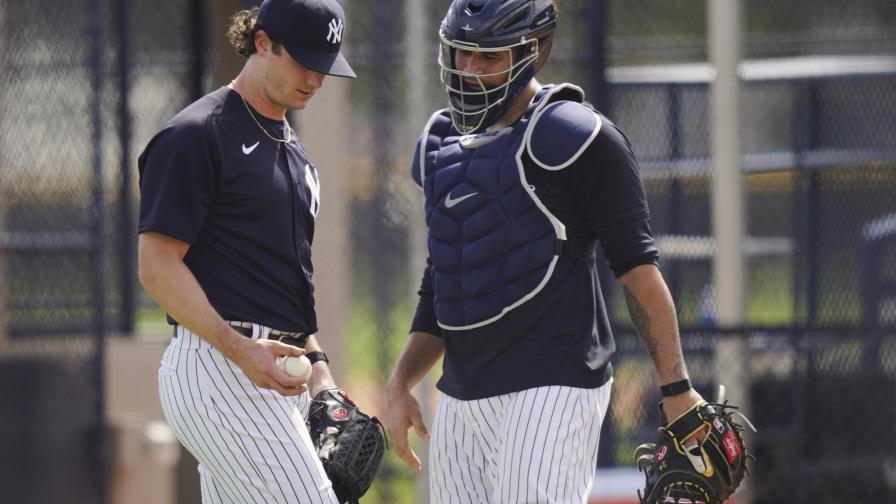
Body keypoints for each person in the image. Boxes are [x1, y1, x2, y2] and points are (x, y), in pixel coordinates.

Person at [383, 0, 706, 502]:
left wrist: (676, 389)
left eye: (489, 58)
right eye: (461, 53)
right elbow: (446, 273)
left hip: (553, 383)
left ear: (534, 52)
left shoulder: (578, 137)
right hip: (461, 392)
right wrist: (401, 382)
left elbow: (639, 272)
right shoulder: (439, 142)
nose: (469, 70)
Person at [137, 0, 355, 502]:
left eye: (325, 66)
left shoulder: (292, 149)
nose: (316, 78)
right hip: (219, 365)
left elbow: (286, 281)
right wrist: (239, 350)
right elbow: (156, 267)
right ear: (261, 42)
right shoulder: (196, 135)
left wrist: (321, 371)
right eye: (304, 61)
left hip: (282, 371)